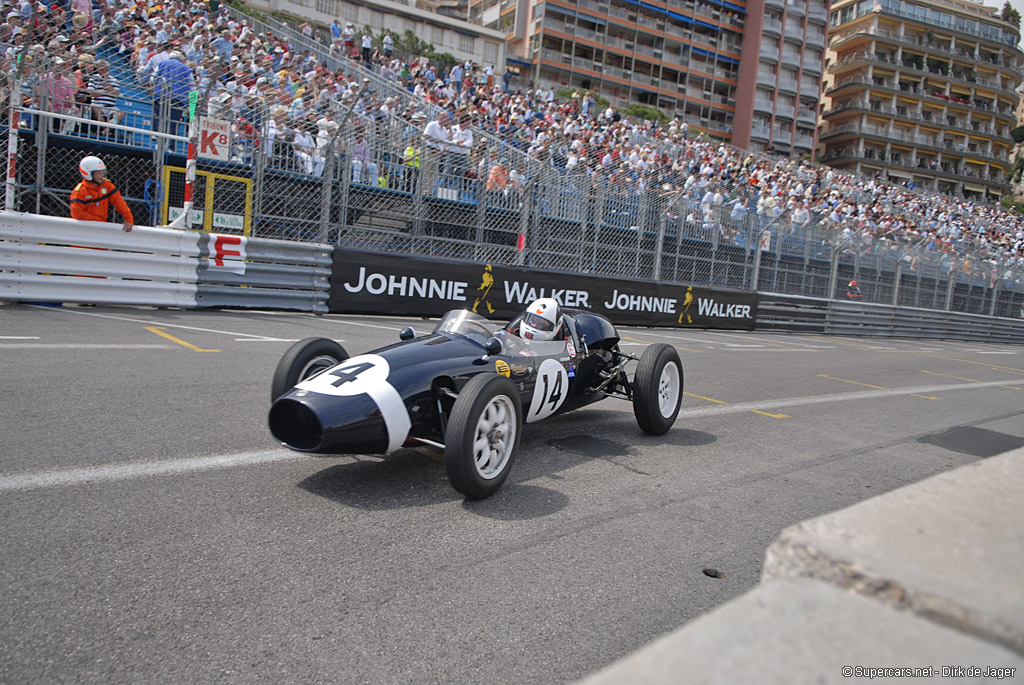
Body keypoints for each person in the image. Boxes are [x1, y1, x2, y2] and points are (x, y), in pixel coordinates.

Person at [70, 156, 134, 231]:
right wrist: (98, 221)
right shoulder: (80, 192)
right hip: (83, 230)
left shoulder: (107, 185)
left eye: (102, 172)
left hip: (100, 228)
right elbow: (77, 214)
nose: (102, 175)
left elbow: (119, 202)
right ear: (87, 173)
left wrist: (129, 219)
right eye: (98, 173)